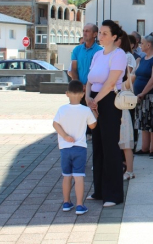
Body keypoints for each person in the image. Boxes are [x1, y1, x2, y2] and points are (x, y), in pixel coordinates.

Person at [85, 20, 127, 207]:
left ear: (114, 37)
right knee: (98, 144)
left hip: (109, 101)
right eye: (99, 33)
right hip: (94, 100)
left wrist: (95, 100)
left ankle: (114, 194)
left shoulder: (119, 55)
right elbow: (89, 79)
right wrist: (87, 98)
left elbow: (111, 82)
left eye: (104, 33)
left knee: (110, 146)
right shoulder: (97, 55)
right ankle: (100, 190)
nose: (100, 36)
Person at [53, 80, 97, 215]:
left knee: (66, 176)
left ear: (67, 94)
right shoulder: (85, 110)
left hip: (65, 148)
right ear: (83, 94)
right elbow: (93, 126)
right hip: (80, 148)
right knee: (79, 176)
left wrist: (65, 136)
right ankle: (79, 205)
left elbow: (55, 124)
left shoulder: (62, 109)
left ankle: (66, 202)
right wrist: (95, 112)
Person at [114, 31, 136, 180]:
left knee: (125, 139)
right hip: (116, 101)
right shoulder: (114, 55)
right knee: (119, 138)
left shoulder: (127, 56)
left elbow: (130, 78)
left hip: (122, 103)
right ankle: (122, 167)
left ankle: (129, 170)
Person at [70, 23, 101, 94]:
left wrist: (87, 86)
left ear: (95, 34)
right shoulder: (77, 49)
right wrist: (79, 85)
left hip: (94, 89)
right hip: (78, 89)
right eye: (83, 31)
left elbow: (97, 72)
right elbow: (73, 69)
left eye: (87, 31)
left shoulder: (100, 51)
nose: (84, 33)